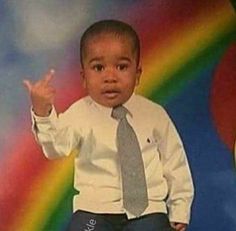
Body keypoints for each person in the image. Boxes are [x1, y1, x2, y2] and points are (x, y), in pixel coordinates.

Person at [23, 19, 194, 231]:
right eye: (98, 67)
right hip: (95, 212)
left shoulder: (154, 114)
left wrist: (180, 208)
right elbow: (56, 147)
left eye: (122, 67)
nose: (110, 77)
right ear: (84, 78)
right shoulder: (80, 113)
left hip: (147, 211)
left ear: (137, 74)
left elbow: (175, 162)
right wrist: (43, 112)